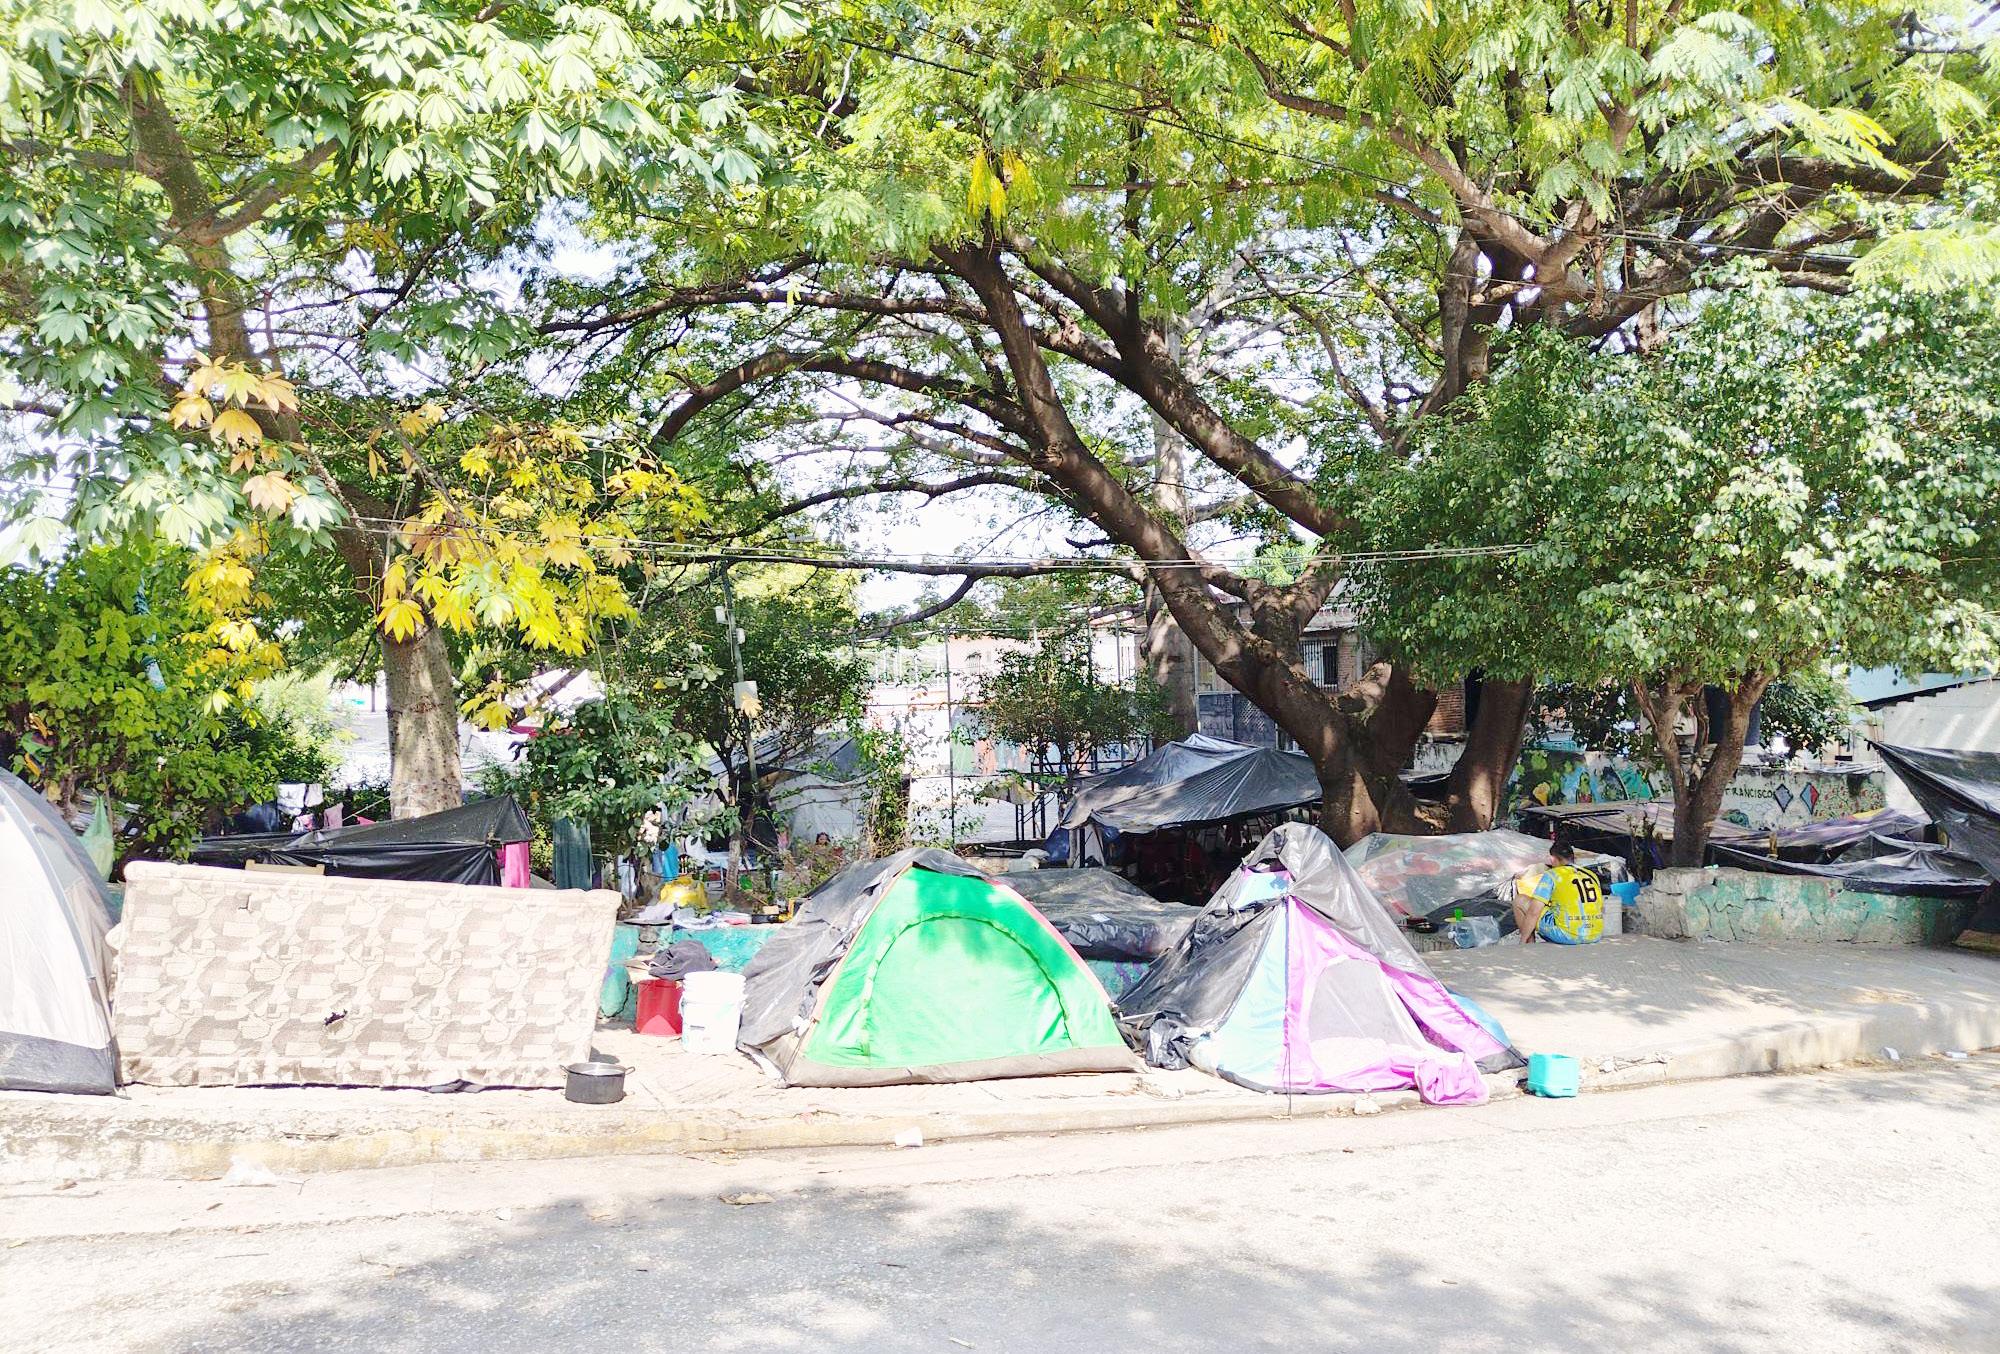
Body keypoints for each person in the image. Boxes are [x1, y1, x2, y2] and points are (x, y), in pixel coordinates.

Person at [1513, 841, 1606, 945]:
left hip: (1568, 935)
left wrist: (1521, 942)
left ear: (1552, 859)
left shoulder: (1552, 875)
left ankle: (1528, 943)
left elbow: (1534, 912)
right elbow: (1601, 908)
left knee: (1520, 900)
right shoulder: (1591, 874)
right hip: (1595, 934)